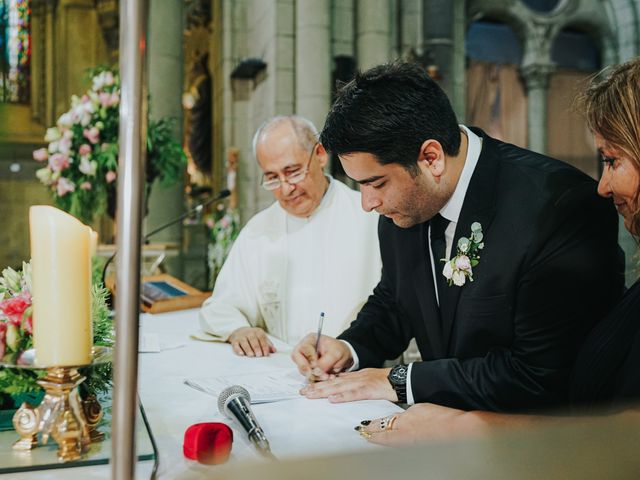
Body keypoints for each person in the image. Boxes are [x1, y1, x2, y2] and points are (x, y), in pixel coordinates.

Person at [292, 62, 624, 411]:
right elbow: (397, 298)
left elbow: (540, 375)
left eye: (376, 183)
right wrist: (349, 348)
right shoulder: (403, 204)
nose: (368, 203)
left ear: (431, 158)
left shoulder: (558, 208)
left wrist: (400, 380)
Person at [199, 115, 381, 357]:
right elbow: (223, 305)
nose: (285, 189)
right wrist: (239, 330)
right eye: (273, 178)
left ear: (319, 155)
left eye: (293, 172)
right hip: (280, 370)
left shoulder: (370, 217)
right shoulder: (258, 231)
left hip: (356, 368)